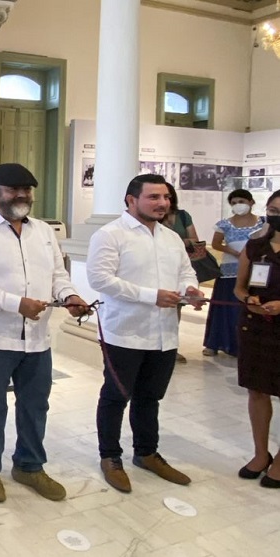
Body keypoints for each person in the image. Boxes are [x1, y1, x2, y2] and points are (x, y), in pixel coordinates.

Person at [0, 163, 89, 504]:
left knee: (35, 405)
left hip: (37, 338)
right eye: (13, 188)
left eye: (27, 189)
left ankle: (29, 466)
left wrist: (70, 296)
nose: (21, 195)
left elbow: (58, 274)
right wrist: (17, 304)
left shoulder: (43, 231)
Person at [87, 174, 204, 494]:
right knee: (115, 396)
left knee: (150, 397)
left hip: (164, 333)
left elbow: (185, 272)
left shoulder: (170, 237)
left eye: (165, 197)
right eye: (153, 197)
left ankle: (147, 453)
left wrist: (189, 290)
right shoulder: (110, 235)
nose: (162, 203)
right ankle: (110, 456)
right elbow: (100, 279)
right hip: (124, 332)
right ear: (130, 200)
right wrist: (149, 295)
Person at [233, 190, 280, 488]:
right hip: (256, 329)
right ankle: (261, 453)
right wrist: (247, 297)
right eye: (274, 210)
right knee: (257, 392)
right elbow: (238, 287)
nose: (278, 215)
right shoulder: (255, 246)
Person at [203, 189, 264, 357]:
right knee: (224, 307)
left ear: (251, 202)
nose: (239, 205)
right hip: (229, 270)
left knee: (248, 308)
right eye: (234, 202)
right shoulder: (224, 224)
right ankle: (215, 342)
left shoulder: (262, 222)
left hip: (255, 271)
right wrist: (234, 252)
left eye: (242, 201)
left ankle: (247, 344)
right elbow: (216, 244)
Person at [160, 183, 199, 364]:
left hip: (178, 268)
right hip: (159, 268)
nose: (163, 201)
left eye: (167, 197)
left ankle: (171, 347)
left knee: (176, 307)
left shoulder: (183, 216)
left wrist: (178, 241)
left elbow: (194, 240)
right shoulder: (153, 218)